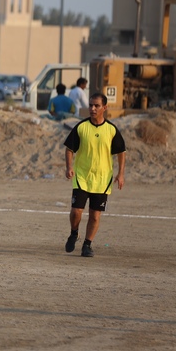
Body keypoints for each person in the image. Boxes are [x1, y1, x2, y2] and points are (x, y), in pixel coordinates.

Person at [64, 93, 126, 257]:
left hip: (102, 179)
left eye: (96, 105)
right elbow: (69, 149)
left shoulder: (111, 130)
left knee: (95, 216)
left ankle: (87, 245)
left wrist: (120, 173)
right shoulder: (81, 127)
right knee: (76, 211)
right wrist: (69, 167)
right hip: (82, 176)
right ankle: (74, 233)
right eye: (91, 105)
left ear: (104, 107)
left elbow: (121, 152)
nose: (92, 108)